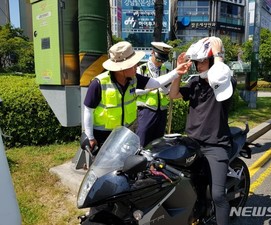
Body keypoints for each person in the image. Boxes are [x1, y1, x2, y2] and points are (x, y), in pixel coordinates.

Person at [169, 36, 237, 225]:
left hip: (216, 145)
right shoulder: (195, 84)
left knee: (218, 195)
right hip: (193, 143)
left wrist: (218, 55)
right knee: (191, 188)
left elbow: (220, 76)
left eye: (203, 61)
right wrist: (179, 73)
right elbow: (173, 95)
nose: (199, 66)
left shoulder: (226, 83)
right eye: (197, 62)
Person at [83, 41, 191, 151]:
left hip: (124, 135)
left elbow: (156, 83)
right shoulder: (98, 84)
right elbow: (88, 110)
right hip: (103, 136)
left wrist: (177, 71)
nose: (136, 66)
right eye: (133, 64)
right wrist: (90, 137)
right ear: (122, 68)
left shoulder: (133, 79)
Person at [135, 42, 173, 147]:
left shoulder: (167, 70)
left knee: (158, 144)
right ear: (152, 53)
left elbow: (168, 90)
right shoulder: (141, 69)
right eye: (159, 59)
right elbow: (134, 91)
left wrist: (165, 90)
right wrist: (149, 89)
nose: (160, 62)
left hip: (162, 111)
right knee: (142, 142)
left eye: (163, 59)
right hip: (145, 111)